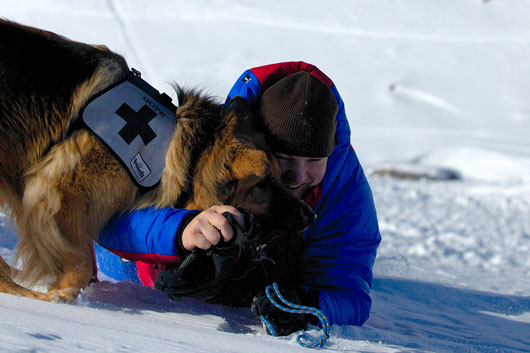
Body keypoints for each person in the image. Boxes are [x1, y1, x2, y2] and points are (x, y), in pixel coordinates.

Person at [94, 61, 381, 334]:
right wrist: (181, 231)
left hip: (269, 282)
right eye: (284, 159)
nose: (298, 175)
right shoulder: (203, 142)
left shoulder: (345, 189)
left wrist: (307, 304)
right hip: (134, 267)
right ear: (258, 149)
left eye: (314, 160)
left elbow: (350, 294)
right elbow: (107, 221)